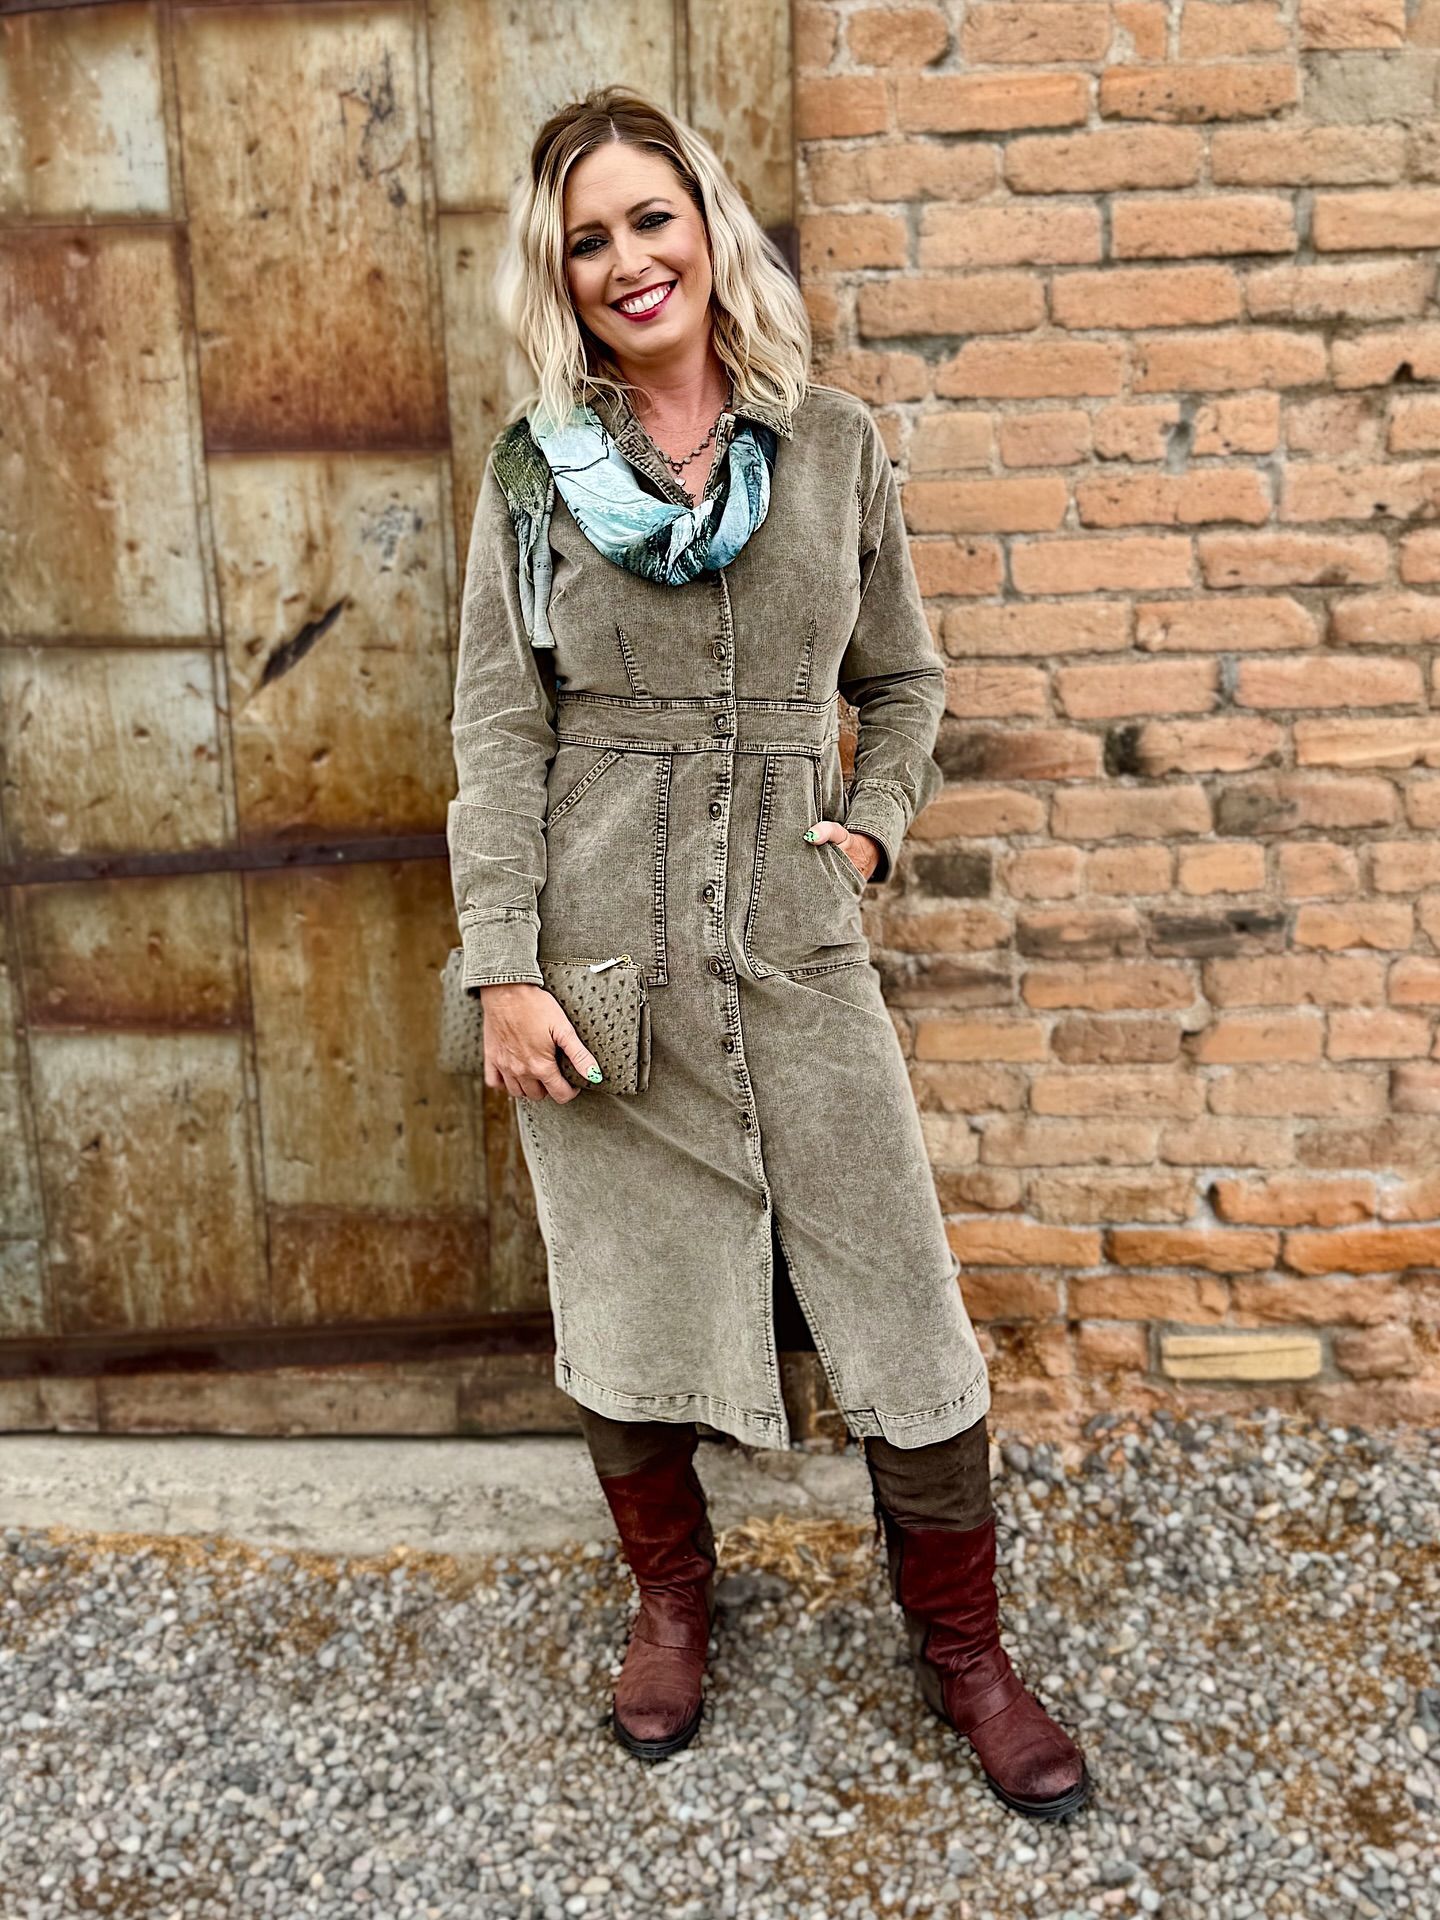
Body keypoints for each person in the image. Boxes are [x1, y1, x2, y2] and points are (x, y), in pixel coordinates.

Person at [446, 84, 1092, 1821]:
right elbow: (500, 737)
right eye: (588, 240)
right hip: (599, 960)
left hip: (798, 945)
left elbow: (906, 683)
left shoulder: (835, 447)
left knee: (904, 1305)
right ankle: (673, 1606)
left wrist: (875, 822)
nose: (627, 260)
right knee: (627, 1294)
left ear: (710, 226)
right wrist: (502, 965)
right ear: (560, 276)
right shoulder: (533, 479)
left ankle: (965, 1650)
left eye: (651, 218)